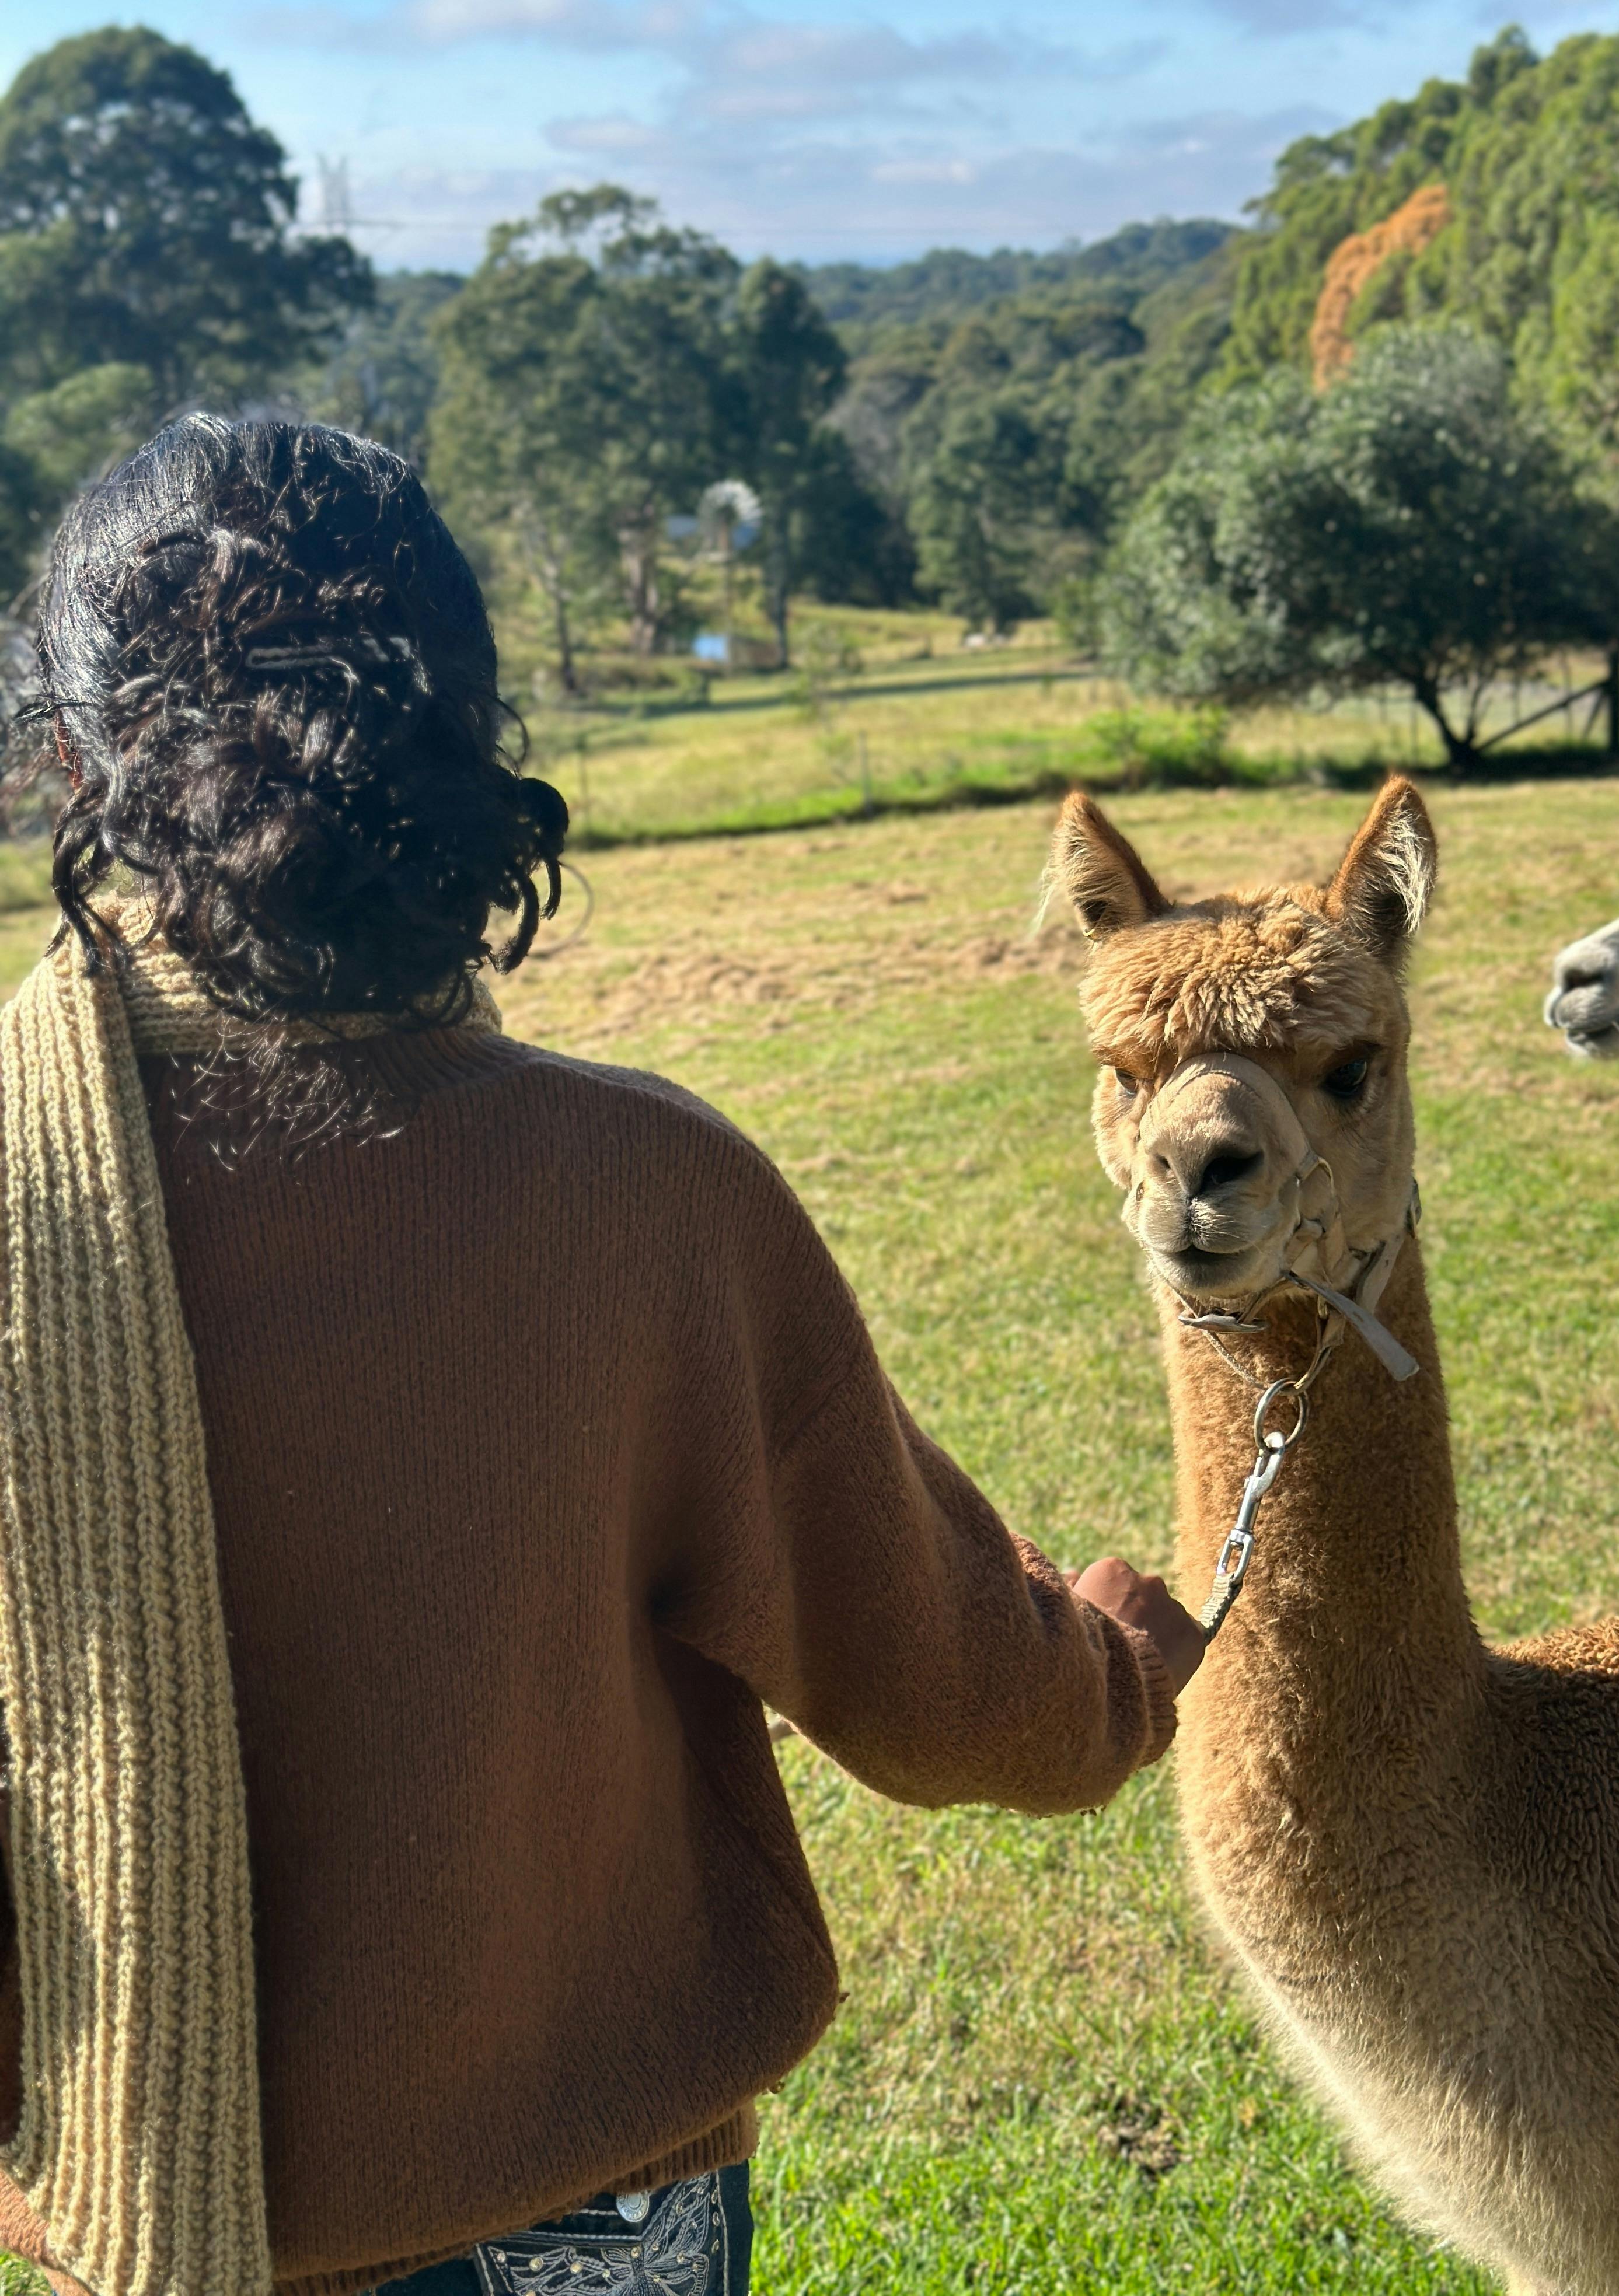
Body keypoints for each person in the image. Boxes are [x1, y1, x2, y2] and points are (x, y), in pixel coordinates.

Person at [0, 417, 1204, 2296]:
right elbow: (957, 1691)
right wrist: (1124, 1665)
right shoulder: (647, 1194)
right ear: (465, 742)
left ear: (72, 766)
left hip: (132, 2225)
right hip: (592, 2228)